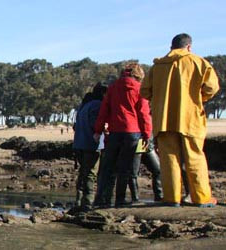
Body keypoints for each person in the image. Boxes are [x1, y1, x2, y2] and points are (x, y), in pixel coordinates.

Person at [141, 33, 220, 207]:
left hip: (164, 119)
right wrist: (200, 98)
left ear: (171, 47)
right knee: (195, 157)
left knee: (169, 159)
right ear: (189, 46)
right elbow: (212, 87)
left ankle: (171, 198)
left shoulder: (157, 66)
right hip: (190, 118)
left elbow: (144, 91)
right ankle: (201, 198)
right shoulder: (198, 62)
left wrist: (160, 97)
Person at [93, 63, 152, 208]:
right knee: (125, 168)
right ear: (138, 74)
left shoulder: (113, 88)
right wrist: (147, 135)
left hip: (115, 132)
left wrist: (98, 130)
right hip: (132, 132)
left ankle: (101, 199)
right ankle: (120, 199)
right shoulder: (139, 89)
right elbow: (144, 114)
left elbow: (104, 110)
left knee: (108, 167)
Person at [73, 82, 108, 209]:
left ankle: (78, 200)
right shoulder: (97, 105)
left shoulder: (84, 105)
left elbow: (75, 126)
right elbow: (95, 124)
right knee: (91, 174)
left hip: (79, 144)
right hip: (91, 145)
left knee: (83, 173)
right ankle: (88, 202)